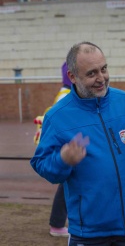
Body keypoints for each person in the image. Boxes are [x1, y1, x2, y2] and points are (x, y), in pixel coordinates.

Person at [31, 42, 125, 246]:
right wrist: (63, 159)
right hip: (88, 234)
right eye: (91, 73)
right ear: (72, 76)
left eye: (104, 69)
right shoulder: (56, 117)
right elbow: (42, 165)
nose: (101, 78)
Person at [32, 62, 71, 237]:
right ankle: (56, 224)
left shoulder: (66, 93)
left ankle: (57, 223)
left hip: (66, 148)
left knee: (67, 186)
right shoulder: (67, 96)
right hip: (64, 148)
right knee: (65, 186)